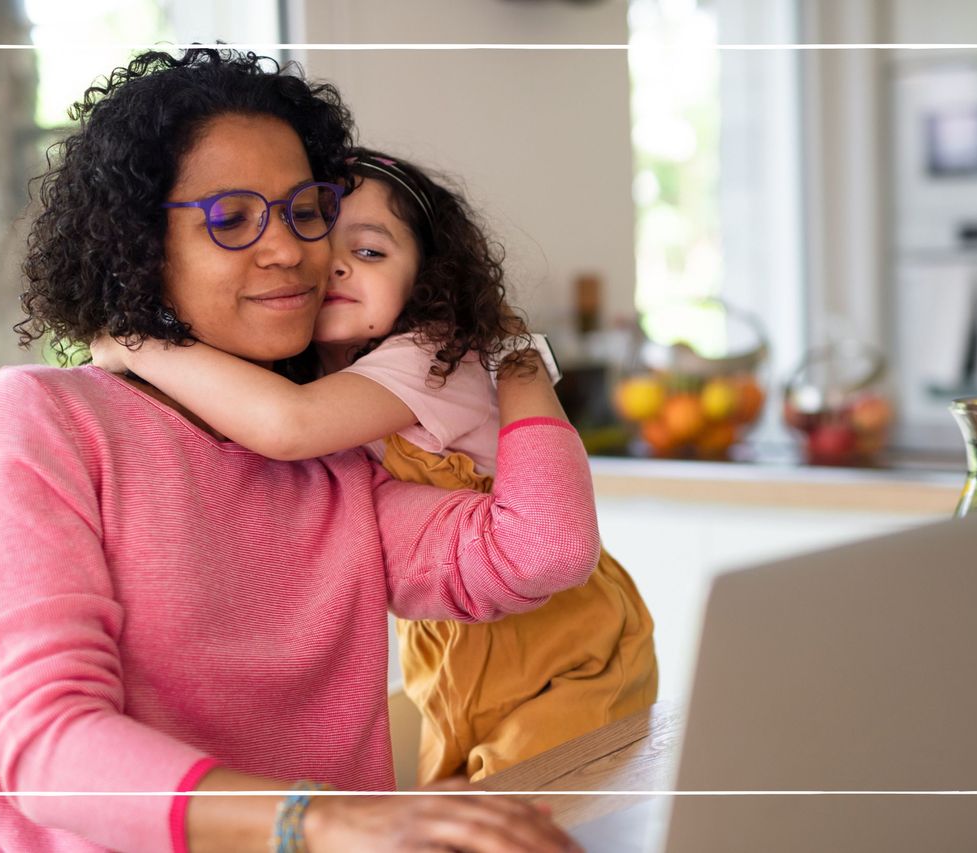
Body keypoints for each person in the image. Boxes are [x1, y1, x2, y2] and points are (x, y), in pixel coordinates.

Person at [0, 47, 597, 853]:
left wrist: (511, 349)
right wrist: (319, 817)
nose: (291, 250)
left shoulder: (336, 454)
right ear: (137, 245)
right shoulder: (41, 422)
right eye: (232, 218)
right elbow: (48, 749)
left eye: (305, 209)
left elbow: (541, 552)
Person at [91, 148, 659, 785]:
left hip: (567, 650)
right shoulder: (339, 375)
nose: (333, 264)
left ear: (426, 281)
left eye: (369, 252)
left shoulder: (432, 354)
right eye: (319, 242)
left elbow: (288, 426)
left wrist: (138, 343)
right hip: (455, 652)